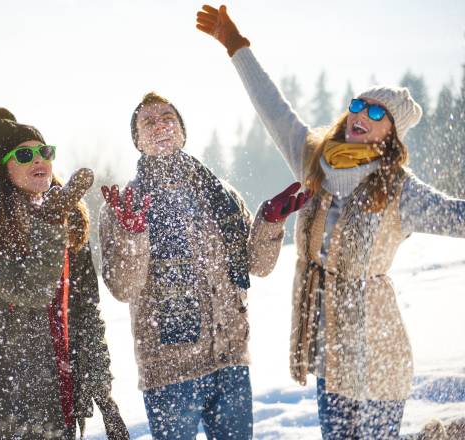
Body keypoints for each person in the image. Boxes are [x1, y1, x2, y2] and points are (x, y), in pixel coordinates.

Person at [197, 5, 465, 438]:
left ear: (391, 135)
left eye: (376, 114)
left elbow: (458, 216)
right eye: (359, 105)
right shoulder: (314, 160)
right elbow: (274, 110)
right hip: (329, 354)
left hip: (379, 355)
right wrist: (236, 46)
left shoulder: (399, 188)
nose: (361, 115)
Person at [99, 92, 309, 440]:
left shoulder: (220, 193)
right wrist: (133, 234)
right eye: (148, 122)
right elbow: (124, 288)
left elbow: (257, 266)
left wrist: (270, 223)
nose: (160, 126)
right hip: (170, 374)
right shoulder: (126, 205)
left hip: (231, 361)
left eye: (168, 118)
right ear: (138, 141)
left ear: (182, 132)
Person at [0, 108, 127, 439]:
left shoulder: (66, 219)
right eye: (24, 154)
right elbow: (29, 291)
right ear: (3, 168)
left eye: (45, 152)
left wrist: (102, 390)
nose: (39, 160)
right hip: (3, 404)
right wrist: (51, 224)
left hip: (59, 396)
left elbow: (86, 312)